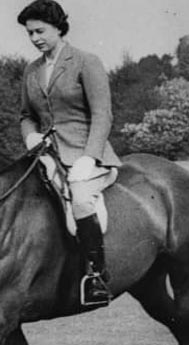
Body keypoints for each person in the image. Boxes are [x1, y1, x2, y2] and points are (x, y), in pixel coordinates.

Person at [17, 0, 121, 306]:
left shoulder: (86, 62)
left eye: (40, 31)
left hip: (86, 154)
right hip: (46, 154)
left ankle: (97, 276)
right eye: (30, 33)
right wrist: (30, 136)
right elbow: (26, 115)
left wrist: (90, 157)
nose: (35, 38)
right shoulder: (32, 70)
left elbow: (103, 114)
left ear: (59, 28)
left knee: (80, 197)